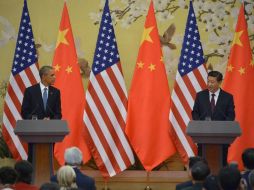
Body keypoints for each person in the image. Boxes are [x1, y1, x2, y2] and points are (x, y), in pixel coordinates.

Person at [192, 70, 235, 166]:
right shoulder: (200, 96)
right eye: (208, 81)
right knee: (202, 165)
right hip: (203, 138)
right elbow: (195, 113)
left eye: (212, 82)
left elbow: (230, 116)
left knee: (221, 165)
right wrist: (200, 125)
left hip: (221, 139)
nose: (209, 84)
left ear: (219, 82)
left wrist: (221, 128)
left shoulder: (228, 97)